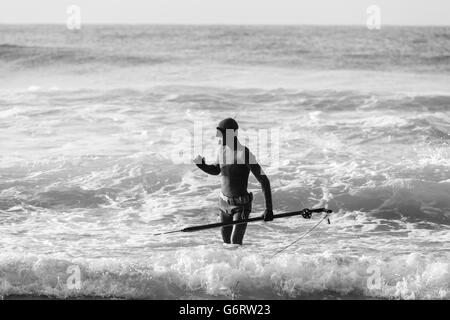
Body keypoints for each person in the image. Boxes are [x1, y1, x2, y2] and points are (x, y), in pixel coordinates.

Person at [193, 118, 273, 245]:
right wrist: (202, 165)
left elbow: (264, 180)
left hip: (240, 206)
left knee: (235, 243)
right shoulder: (222, 150)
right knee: (226, 244)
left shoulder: (244, 154)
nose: (217, 136)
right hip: (223, 204)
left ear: (230, 133)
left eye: (220, 133)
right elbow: (216, 170)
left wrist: (269, 209)